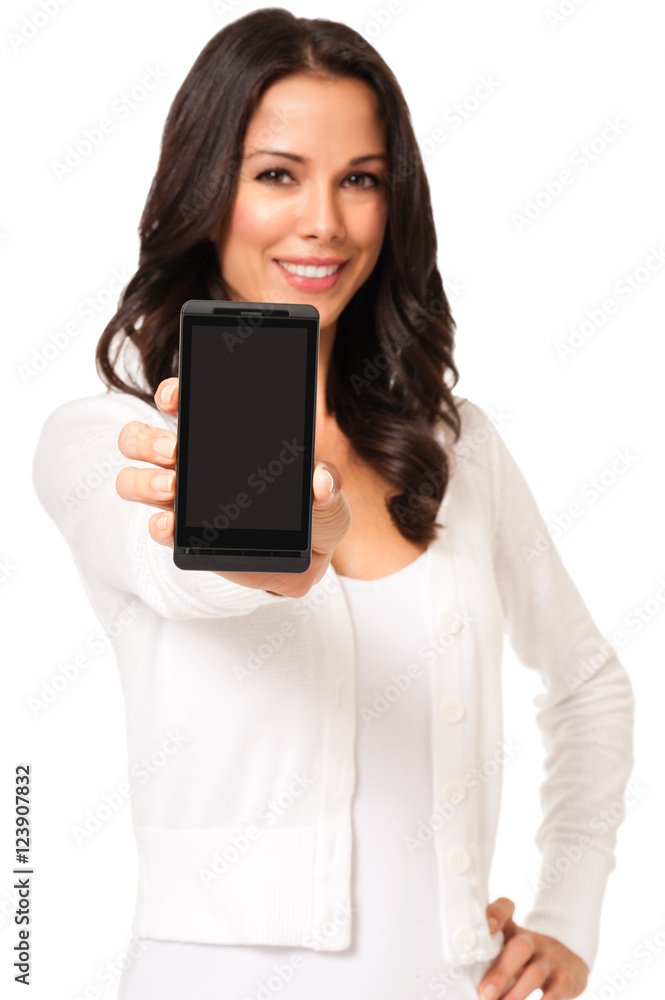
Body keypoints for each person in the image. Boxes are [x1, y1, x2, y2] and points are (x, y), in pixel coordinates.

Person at [32, 9, 635, 1000]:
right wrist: (285, 548)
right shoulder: (108, 439)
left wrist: (567, 913)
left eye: (359, 178)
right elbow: (189, 578)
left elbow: (586, 685)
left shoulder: (453, 446)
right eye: (277, 174)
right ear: (205, 192)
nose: (324, 220)